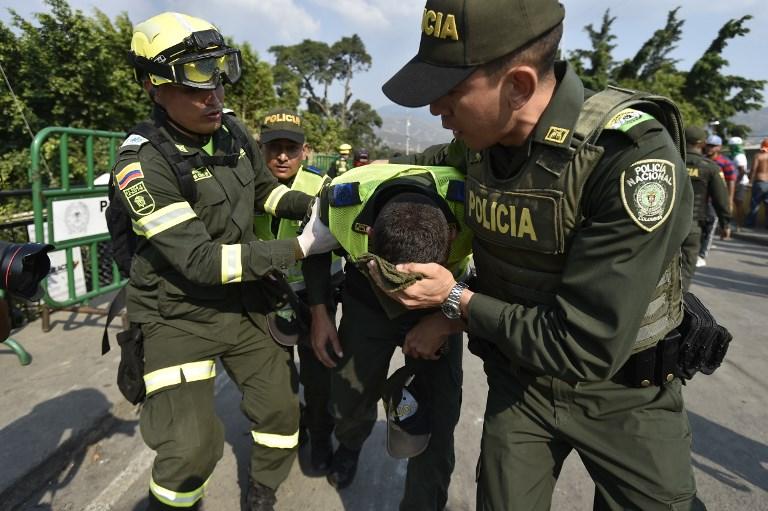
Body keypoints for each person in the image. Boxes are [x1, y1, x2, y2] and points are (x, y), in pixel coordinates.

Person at [377, 0, 699, 509]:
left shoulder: (628, 159)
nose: (435, 111)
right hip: (520, 384)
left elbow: (585, 345)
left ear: (518, 87)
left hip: (623, 398)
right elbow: (413, 172)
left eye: (450, 94)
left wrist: (456, 303)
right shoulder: (478, 144)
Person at [117, 12, 336, 511]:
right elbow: (197, 260)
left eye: (218, 75)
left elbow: (267, 195)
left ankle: (262, 492)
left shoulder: (232, 133)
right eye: (197, 82)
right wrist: (301, 248)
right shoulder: (141, 164)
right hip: (177, 315)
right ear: (154, 86)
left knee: (281, 411)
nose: (214, 96)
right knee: (191, 450)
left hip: (241, 305)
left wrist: (319, 209)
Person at [303, 163, 471, 510]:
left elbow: (503, 289)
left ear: (452, 235)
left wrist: (445, 322)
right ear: (366, 233)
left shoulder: (471, 204)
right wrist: (320, 313)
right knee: (349, 392)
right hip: (367, 305)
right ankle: (350, 443)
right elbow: (314, 252)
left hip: (441, 307)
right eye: (396, 282)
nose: (406, 296)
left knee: (439, 413)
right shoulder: (341, 201)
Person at [255, 108, 341, 473]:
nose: (283, 156)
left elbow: (321, 255)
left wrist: (321, 312)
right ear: (261, 150)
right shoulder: (248, 186)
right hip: (266, 296)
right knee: (274, 381)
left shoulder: (319, 186)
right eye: (275, 147)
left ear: (305, 151)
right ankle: (290, 428)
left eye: (291, 147)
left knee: (318, 376)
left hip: (315, 294)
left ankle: (321, 437)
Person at [681, 127, 731, 289]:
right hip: (692, 226)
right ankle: (674, 307)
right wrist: (725, 225)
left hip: (664, 225)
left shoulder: (670, 161)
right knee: (686, 269)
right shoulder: (710, 167)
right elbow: (721, 200)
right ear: (701, 144)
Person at [704, 135, 735, 241]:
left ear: (719, 148)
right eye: (708, 145)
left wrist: (729, 200)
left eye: (713, 146)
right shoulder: (701, 161)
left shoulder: (725, 163)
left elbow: (731, 181)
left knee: (711, 225)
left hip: (716, 199)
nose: (709, 148)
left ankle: (702, 253)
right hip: (702, 198)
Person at [745, 138, 768, 228]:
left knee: (755, 204)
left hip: (759, 182)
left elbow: (754, 169)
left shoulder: (758, 156)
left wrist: (750, 180)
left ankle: (750, 224)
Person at [728, 136, 749, 228]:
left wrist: (736, 183)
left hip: (739, 183)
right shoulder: (734, 155)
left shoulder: (739, 156)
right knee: (734, 203)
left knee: (738, 203)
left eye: (732, 146)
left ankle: (739, 224)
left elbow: (742, 171)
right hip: (735, 182)